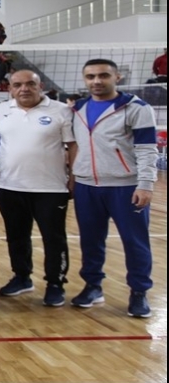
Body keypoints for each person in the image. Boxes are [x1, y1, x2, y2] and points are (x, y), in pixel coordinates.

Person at [70, 59, 158, 318]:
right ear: (85, 79)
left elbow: (146, 149)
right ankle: (93, 286)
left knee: (135, 241)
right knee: (90, 241)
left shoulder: (137, 108)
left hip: (125, 186)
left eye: (103, 75)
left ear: (117, 77)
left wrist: (145, 185)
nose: (96, 81)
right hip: (87, 186)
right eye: (90, 76)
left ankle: (139, 291)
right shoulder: (77, 108)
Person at [0, 70, 75, 307]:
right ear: (10, 88)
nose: (24, 89)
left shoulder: (61, 110)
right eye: (18, 85)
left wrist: (74, 177)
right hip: (9, 186)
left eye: (30, 84)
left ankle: (55, 283)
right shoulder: (0, 110)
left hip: (50, 188)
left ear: (41, 86)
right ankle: (22, 277)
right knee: (16, 236)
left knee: (54, 238)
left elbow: (72, 145)